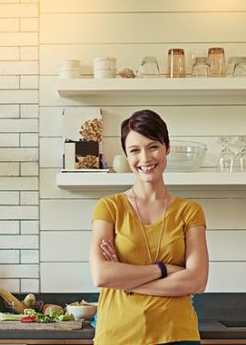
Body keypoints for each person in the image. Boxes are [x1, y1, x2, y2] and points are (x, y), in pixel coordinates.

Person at [89, 109, 209, 345]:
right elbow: (102, 275)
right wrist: (166, 269)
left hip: (177, 335)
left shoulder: (190, 211)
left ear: (167, 148)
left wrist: (126, 281)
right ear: (126, 155)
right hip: (118, 335)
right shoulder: (109, 208)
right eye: (135, 150)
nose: (145, 158)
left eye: (153, 146)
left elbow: (196, 281)